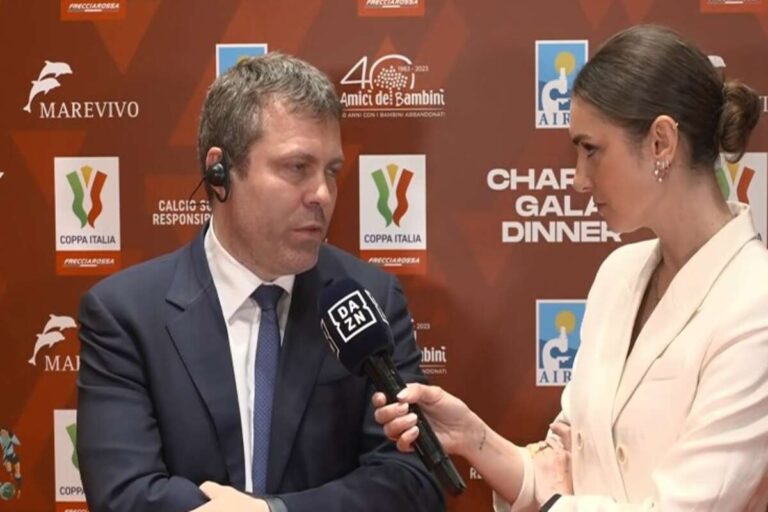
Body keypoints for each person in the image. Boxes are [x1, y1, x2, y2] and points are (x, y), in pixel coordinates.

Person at [373, 24, 768, 511]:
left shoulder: (756, 303)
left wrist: (555, 501)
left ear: (661, 142)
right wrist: (472, 437)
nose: (579, 179)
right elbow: (564, 461)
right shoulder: (619, 273)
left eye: (591, 150)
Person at [76, 53, 444, 512]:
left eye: (331, 170)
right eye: (297, 167)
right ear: (220, 173)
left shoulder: (370, 300)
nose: (323, 194)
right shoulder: (126, 314)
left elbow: (412, 481)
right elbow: (124, 495)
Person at [0, 428, 21, 500]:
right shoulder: (0, 439)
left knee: (17, 474)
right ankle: (10, 476)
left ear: (7, 432)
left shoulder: (10, 436)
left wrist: (12, 437)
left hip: (13, 455)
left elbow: (18, 443)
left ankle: (19, 490)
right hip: (6, 457)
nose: (3, 433)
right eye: (1, 432)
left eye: (4, 432)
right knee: (9, 470)